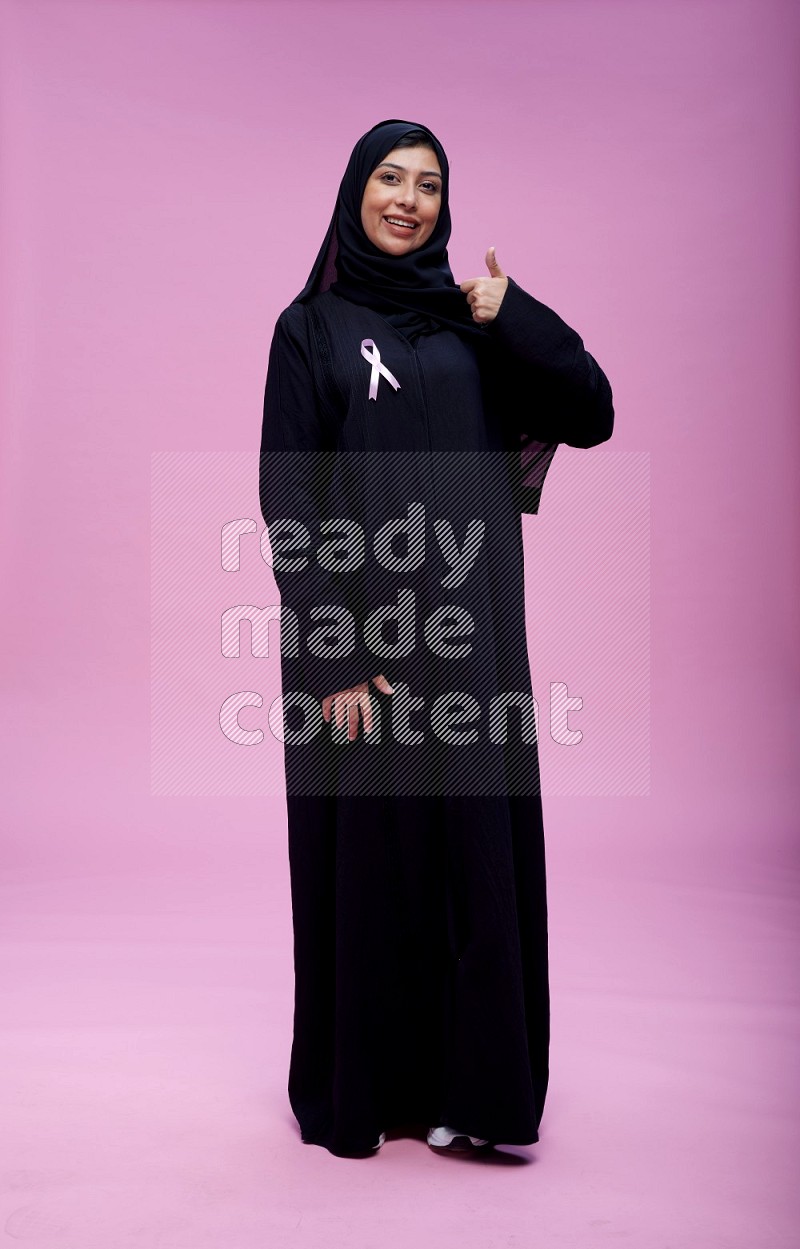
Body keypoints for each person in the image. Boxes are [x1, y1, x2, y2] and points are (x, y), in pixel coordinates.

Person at [259, 119, 614, 1158]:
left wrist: (518, 316)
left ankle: (478, 1092)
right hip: (358, 646)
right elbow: (290, 498)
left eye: (427, 184)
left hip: (470, 650)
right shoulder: (309, 330)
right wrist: (330, 654)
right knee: (374, 864)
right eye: (388, 178)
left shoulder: (472, 326)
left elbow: (586, 411)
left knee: (473, 855)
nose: (406, 199)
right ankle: (366, 1088)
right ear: (354, 192)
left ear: (444, 205)